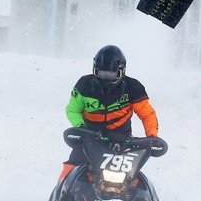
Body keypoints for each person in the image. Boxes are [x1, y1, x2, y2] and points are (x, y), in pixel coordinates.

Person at [57, 45, 159, 183]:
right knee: (70, 170)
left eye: (111, 74)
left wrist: (152, 136)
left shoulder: (134, 88)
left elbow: (147, 114)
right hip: (89, 139)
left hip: (122, 142)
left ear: (122, 72)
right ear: (95, 70)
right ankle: (60, 198)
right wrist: (81, 128)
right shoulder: (84, 85)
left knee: (133, 178)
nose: (106, 77)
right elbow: (73, 110)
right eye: (102, 73)